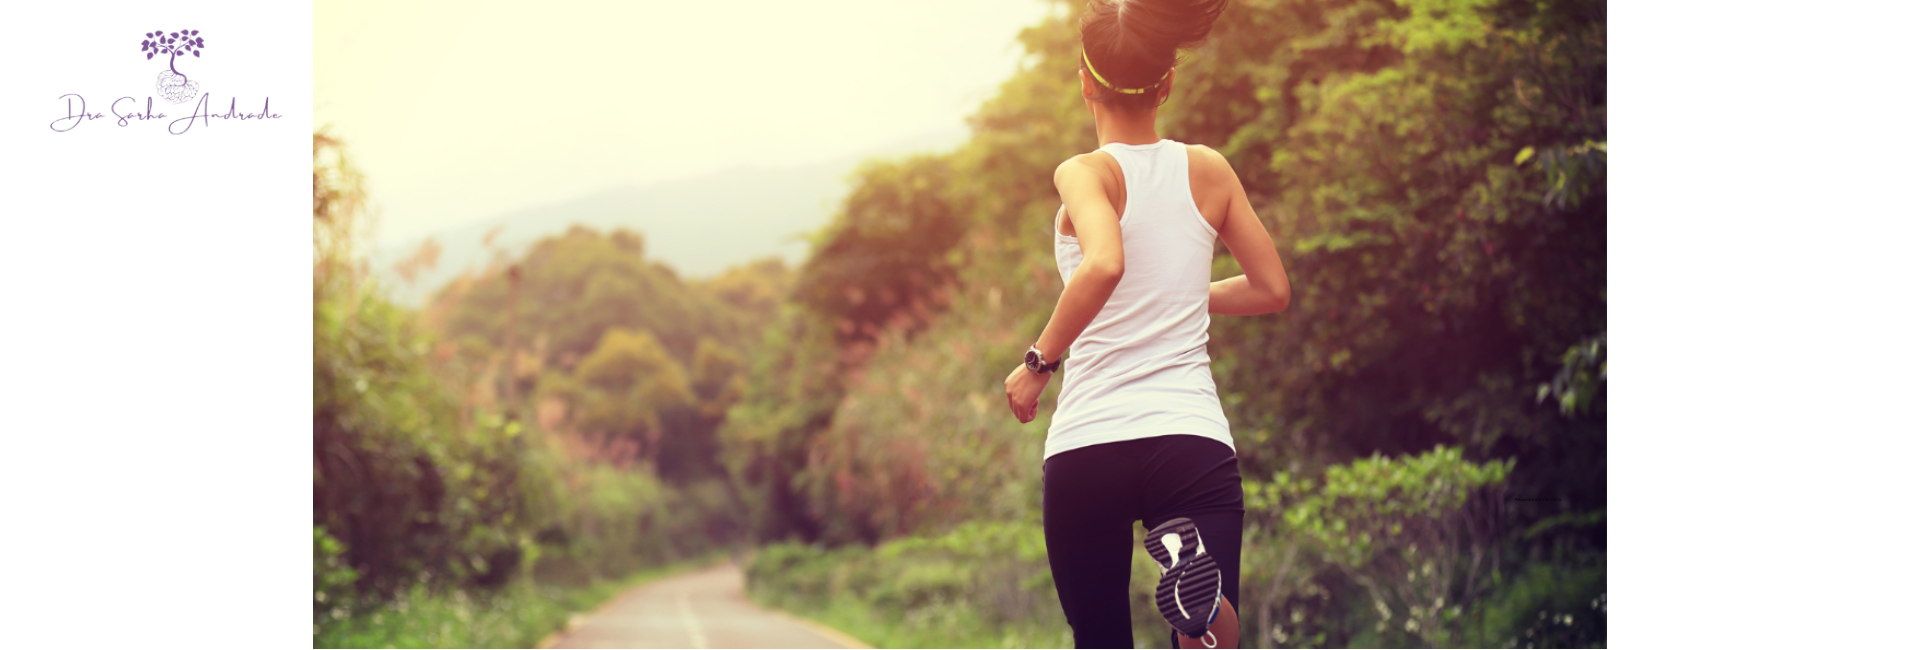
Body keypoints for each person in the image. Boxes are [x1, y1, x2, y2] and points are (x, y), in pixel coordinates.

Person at [1000, 1, 1291, 647]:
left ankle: (1194, 602)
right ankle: (1200, 608)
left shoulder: (1085, 172)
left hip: (1089, 444)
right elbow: (1272, 289)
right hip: (1188, 437)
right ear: (1168, 82)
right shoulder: (1208, 168)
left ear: (1084, 80)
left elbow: (1104, 262)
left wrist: (1037, 364)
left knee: (1101, 640)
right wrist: (1177, 295)